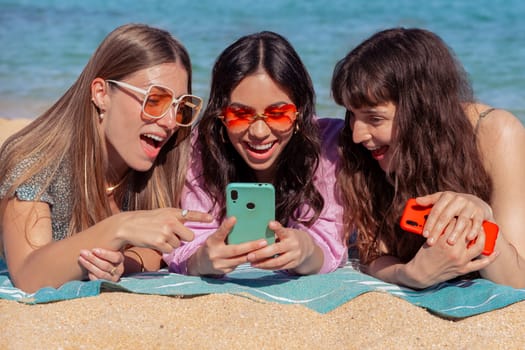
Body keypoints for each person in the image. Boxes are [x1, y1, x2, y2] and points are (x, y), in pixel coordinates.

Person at [0, 23, 212, 293]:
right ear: (101, 94)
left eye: (181, 107)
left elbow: (157, 251)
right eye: (155, 100)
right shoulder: (35, 162)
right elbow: (29, 274)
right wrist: (118, 228)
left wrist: (124, 261)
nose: (171, 122)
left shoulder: (162, 163)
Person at [331, 27, 525, 289]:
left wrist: (480, 215)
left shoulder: (494, 133)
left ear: (420, 112)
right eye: (352, 115)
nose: (356, 135)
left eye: (375, 118)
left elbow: (517, 280)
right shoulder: (363, 155)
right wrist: (408, 274)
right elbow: (373, 255)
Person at [163, 31, 347, 276]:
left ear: (300, 112)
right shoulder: (200, 148)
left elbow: (330, 241)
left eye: (277, 114)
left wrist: (306, 251)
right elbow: (191, 239)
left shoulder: (327, 143)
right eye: (240, 115)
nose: (259, 132)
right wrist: (202, 260)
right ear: (221, 114)